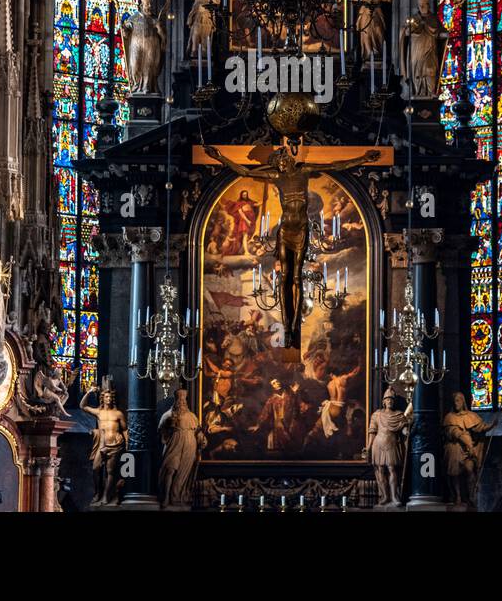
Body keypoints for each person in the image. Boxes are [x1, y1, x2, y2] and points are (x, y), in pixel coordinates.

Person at [204, 140, 380, 351]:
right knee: (286, 279)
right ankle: (289, 329)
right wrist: (219, 157)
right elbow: (243, 171)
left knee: (296, 278)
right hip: (286, 232)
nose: (281, 163)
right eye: (278, 161)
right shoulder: (276, 177)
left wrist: (362, 159)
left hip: (302, 232)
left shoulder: (304, 171)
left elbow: (335, 166)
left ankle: (294, 325)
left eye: (282, 159)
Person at [442, 392, 495, 507]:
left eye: (458, 400)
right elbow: (451, 432)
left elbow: (479, 427)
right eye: (455, 401)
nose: (456, 403)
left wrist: (491, 426)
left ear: (463, 402)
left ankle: (471, 495)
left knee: (469, 469)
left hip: (468, 448)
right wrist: (463, 438)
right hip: (455, 447)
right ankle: (458, 496)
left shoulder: (470, 415)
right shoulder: (449, 417)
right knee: (454, 473)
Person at [80, 384, 128, 506]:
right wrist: (89, 392)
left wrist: (127, 444)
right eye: (106, 397)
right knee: (95, 469)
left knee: (110, 471)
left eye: (110, 397)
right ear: (102, 398)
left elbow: (124, 430)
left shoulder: (118, 414)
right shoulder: (99, 412)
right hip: (102, 445)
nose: (109, 399)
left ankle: (106, 497)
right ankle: (97, 493)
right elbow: (83, 406)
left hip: (115, 444)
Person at [157, 389, 205, 507]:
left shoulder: (192, 416)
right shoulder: (168, 415)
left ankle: (177, 496)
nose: (182, 403)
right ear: (176, 402)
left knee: (183, 472)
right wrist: (168, 424)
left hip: (189, 445)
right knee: (170, 468)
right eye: (180, 401)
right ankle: (166, 496)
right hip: (175, 444)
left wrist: (202, 440)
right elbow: (161, 431)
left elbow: (197, 432)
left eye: (184, 401)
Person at [368, 389, 413, 506]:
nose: (389, 401)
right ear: (384, 401)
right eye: (387, 399)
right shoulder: (377, 415)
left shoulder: (399, 415)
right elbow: (372, 432)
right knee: (381, 470)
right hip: (378, 444)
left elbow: (403, 432)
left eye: (391, 399)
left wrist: (406, 428)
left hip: (392, 444)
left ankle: (394, 496)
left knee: (392, 469)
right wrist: (368, 447)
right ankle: (385, 496)